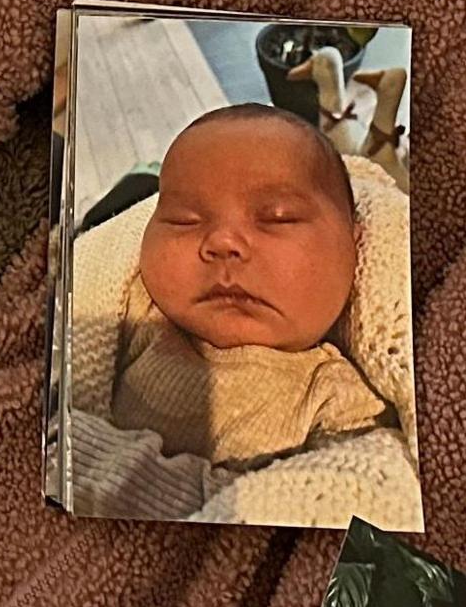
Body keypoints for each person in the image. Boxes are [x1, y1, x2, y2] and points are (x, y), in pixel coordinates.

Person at [109, 104, 391, 465]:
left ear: (354, 243)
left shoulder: (337, 398)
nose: (223, 241)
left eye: (278, 218)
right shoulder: (136, 316)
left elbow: (354, 495)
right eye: (185, 220)